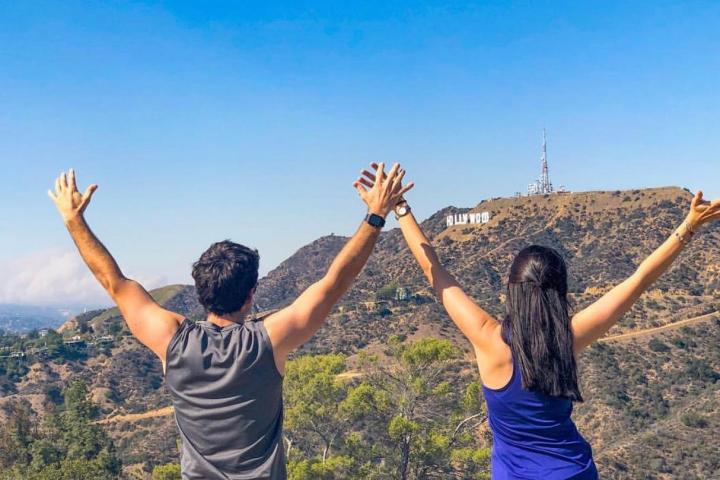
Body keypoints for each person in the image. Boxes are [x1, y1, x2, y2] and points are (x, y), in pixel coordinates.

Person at [48, 164, 413, 479]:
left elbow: (115, 282)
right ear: (252, 292)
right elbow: (333, 283)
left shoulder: (172, 341)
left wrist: (73, 220)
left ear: (199, 290)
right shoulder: (267, 341)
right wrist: (375, 216)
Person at [357, 163, 719, 479]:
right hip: (574, 471)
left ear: (512, 290)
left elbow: (433, 269)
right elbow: (638, 280)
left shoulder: (486, 338)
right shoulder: (570, 336)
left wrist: (400, 209)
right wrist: (689, 225)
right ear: (560, 292)